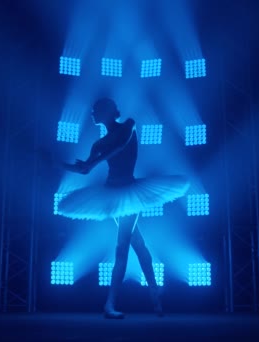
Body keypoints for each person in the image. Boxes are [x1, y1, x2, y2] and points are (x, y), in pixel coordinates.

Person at [56, 98, 189, 319]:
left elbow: (120, 146)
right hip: (112, 192)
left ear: (106, 112)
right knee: (137, 242)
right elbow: (84, 169)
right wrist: (56, 163)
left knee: (122, 246)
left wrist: (94, 163)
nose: (91, 114)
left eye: (95, 110)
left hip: (128, 193)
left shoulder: (129, 124)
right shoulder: (98, 144)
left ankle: (110, 304)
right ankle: (154, 290)